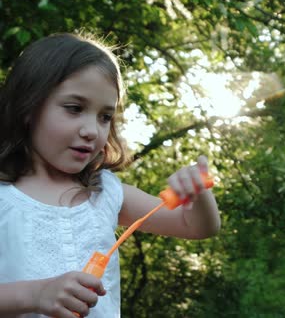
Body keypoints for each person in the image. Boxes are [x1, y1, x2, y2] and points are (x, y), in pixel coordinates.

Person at [0, 33, 221, 317]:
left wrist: (199, 193)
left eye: (105, 116)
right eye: (74, 108)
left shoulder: (105, 192)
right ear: (28, 107)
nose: (92, 130)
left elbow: (197, 227)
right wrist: (35, 294)